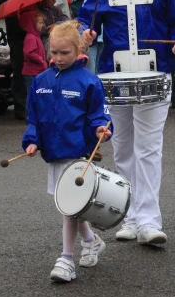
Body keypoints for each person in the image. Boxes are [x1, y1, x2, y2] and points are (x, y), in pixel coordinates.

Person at [78, 0, 175, 245]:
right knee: (124, 149)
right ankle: (129, 216)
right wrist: (83, 34)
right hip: (115, 79)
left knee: (148, 148)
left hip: (156, 75)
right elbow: (83, 23)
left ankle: (149, 220)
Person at [22, 21, 112, 282]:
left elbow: (99, 116)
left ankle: (66, 259)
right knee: (71, 207)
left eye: (65, 53)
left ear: (79, 49)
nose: (59, 58)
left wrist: (100, 130)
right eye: (54, 53)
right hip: (54, 153)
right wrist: (31, 141)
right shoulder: (40, 81)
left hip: (78, 155)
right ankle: (91, 240)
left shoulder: (89, 81)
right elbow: (34, 120)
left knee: (70, 207)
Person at [0, 0, 42, 120]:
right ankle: (21, 106)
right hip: (18, 32)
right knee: (20, 68)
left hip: (37, 31)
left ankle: (37, 104)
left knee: (38, 68)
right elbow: (4, 6)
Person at [21, 10, 47, 91]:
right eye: (40, 23)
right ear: (32, 23)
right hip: (32, 73)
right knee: (32, 94)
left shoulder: (36, 36)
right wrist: (41, 60)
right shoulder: (31, 37)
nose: (42, 25)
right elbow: (28, 53)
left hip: (37, 71)